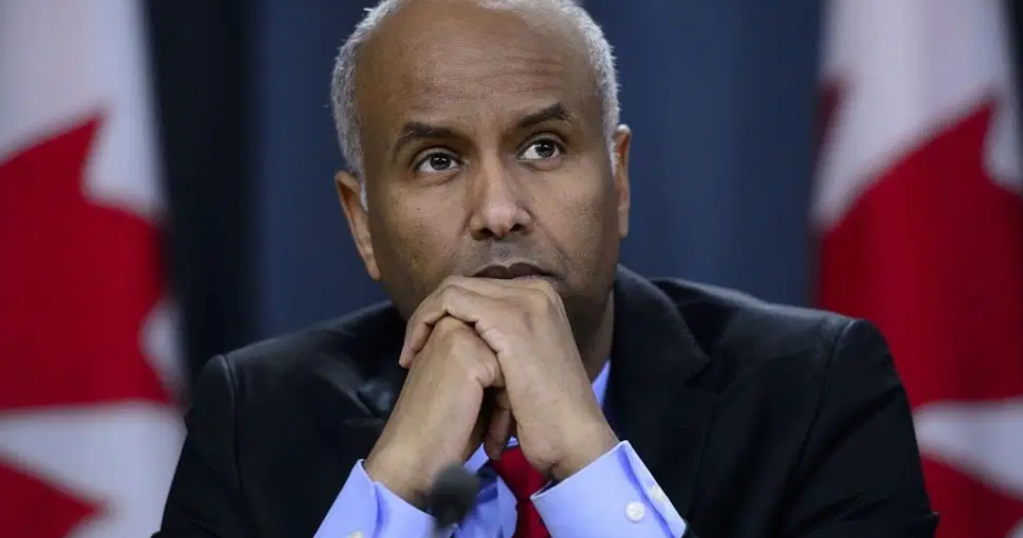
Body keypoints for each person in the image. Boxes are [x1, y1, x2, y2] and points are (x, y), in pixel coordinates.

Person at [153, 0, 938, 536]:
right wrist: (393, 487)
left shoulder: (813, 393)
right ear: (363, 223)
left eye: (543, 147)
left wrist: (588, 466)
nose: (499, 211)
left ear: (618, 181)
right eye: (436, 160)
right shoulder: (255, 420)